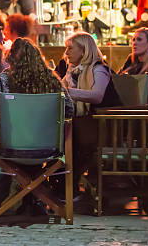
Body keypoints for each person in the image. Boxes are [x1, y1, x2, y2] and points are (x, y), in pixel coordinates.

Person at [60, 32, 120, 189]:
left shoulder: (98, 69)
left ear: (84, 50)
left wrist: (66, 92)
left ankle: (66, 184)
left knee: (66, 136)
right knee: (63, 132)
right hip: (88, 124)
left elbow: (97, 96)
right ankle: (63, 183)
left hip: (105, 126)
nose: (66, 53)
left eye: (70, 49)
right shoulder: (73, 72)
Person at [0, 38, 74, 122]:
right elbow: (69, 109)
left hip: (12, 138)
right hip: (49, 138)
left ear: (10, 58)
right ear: (38, 57)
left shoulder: (2, 80)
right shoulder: (52, 80)